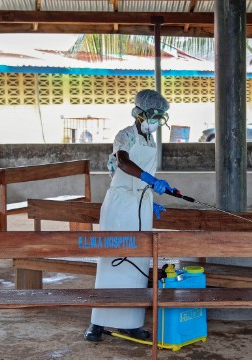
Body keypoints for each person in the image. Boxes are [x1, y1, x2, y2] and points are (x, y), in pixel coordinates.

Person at [84, 89, 174, 342]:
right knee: (111, 259)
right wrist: (148, 179)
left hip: (141, 204)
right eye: (155, 115)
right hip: (121, 203)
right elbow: (122, 162)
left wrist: (150, 198)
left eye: (161, 116)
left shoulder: (150, 141)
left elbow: (144, 170)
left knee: (138, 262)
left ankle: (131, 323)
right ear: (141, 113)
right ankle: (98, 322)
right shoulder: (125, 136)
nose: (157, 120)